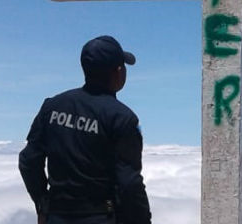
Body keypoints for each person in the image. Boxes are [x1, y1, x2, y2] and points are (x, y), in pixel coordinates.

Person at [19, 35, 151, 224]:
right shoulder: (122, 118)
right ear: (118, 72)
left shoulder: (52, 107)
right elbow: (129, 184)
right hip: (101, 217)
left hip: (56, 216)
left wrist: (42, 204)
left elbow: (29, 160)